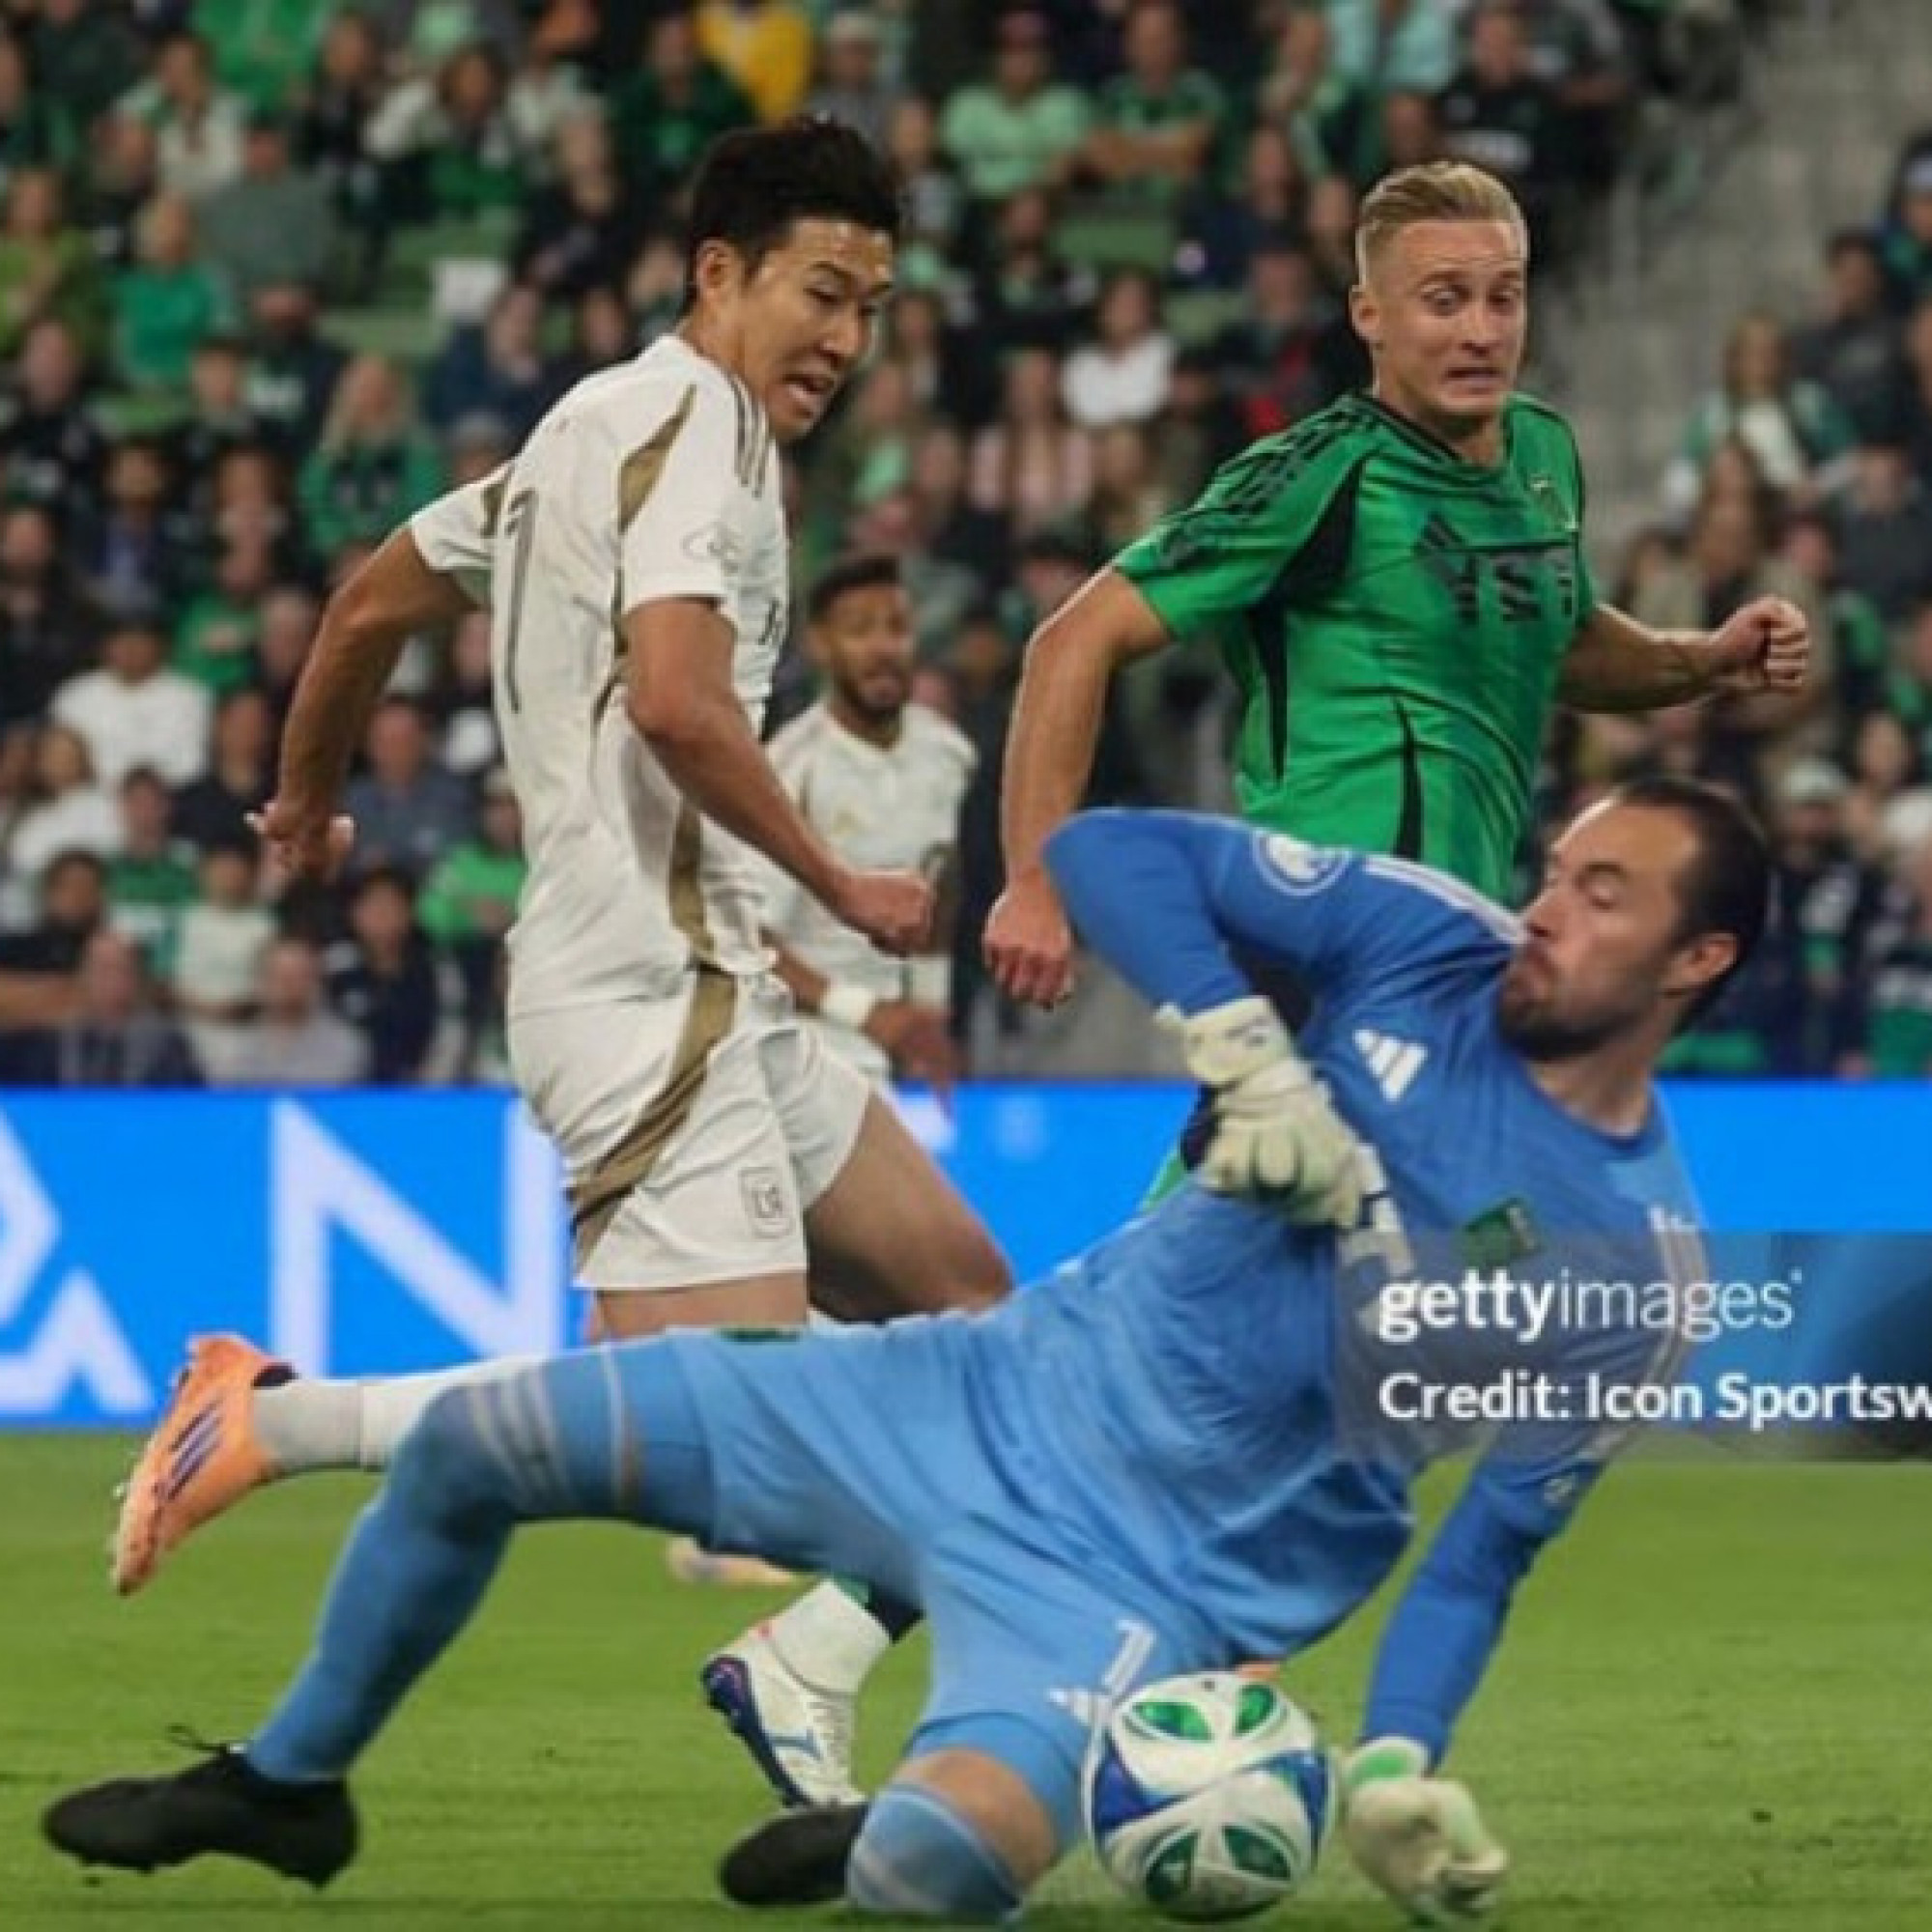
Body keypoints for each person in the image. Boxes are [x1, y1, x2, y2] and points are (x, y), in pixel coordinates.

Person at [46, 777, 1767, 1924]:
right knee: (481, 1446)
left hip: (1136, 1592)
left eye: (1601, 898)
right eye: (1557, 869)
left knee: (930, 1878)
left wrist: (1395, 1761)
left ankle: (895, 1829)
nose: (1546, 908)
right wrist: (1242, 1039)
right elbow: (1106, 854)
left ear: (1698, 959)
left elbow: (1482, 1554)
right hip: (955, 1390)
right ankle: (289, 1786)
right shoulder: (1422, 944)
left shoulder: (1631, 1277)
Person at [108, 117, 1010, 1811]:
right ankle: (269, 1420)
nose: (848, 337)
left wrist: (306, 804)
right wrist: (848, 881)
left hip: (716, 987)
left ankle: (798, 1665)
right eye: (824, 290)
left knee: (979, 1322)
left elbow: (374, 598)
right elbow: (675, 698)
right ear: (718, 271)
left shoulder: (582, 431)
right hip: (642, 994)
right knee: (720, 1445)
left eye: (875, 306)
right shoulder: (699, 432)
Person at [983, 160, 1807, 1199]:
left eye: (1501, 296)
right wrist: (1030, 880)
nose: (1478, 330)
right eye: (1442, 300)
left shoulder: (1541, 452)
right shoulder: (1319, 476)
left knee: (1315, 1276)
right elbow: (1073, 638)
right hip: (1325, 942)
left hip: (1454, 955)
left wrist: (1703, 659)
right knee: (1334, 1260)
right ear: (1367, 314)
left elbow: (1550, 633)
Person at [756, 553, 973, 1094]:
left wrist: (928, 1008)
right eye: (859, 631)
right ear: (820, 645)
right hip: (799, 1038)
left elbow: (940, 882)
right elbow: (747, 940)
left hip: (890, 1042)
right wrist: (867, 1013)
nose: (883, 647)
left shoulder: (947, 754)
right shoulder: (788, 768)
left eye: (896, 628)